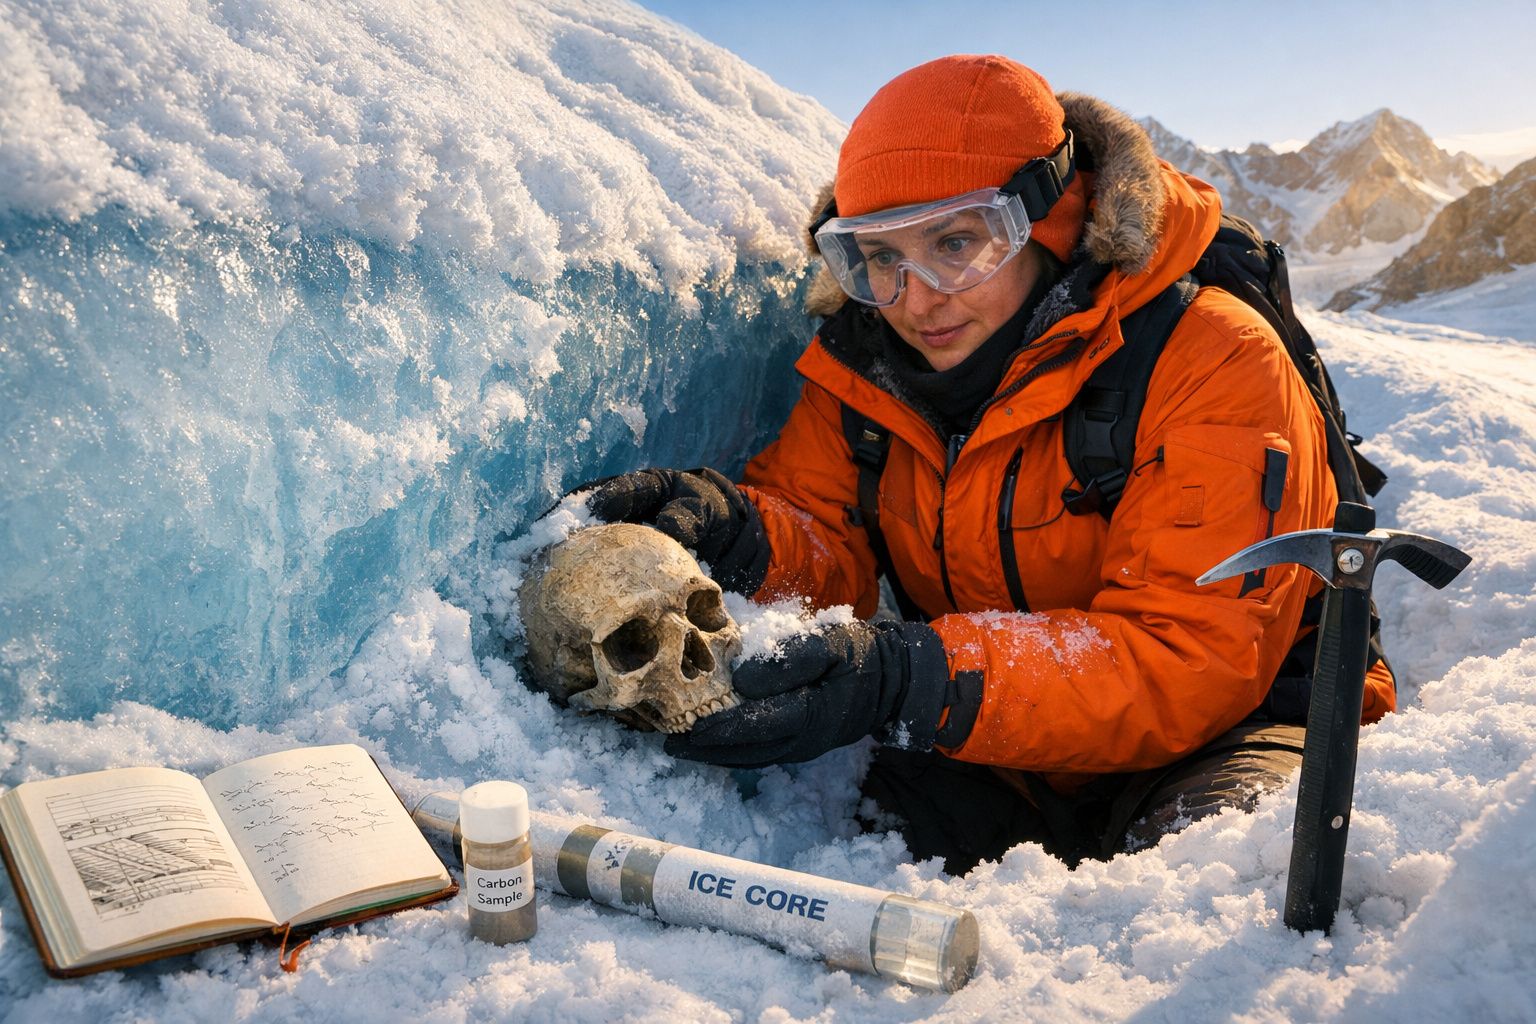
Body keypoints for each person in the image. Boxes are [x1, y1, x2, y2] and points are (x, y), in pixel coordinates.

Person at [577, 55, 1396, 873]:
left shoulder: (1211, 356)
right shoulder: (869, 366)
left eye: (956, 242)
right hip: (1004, 746)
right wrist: (739, 532)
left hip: (1231, 735)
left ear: (1051, 219)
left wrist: (911, 679)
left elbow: (1192, 658)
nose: (918, 298)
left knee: (1235, 879)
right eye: (878, 256)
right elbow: (826, 537)